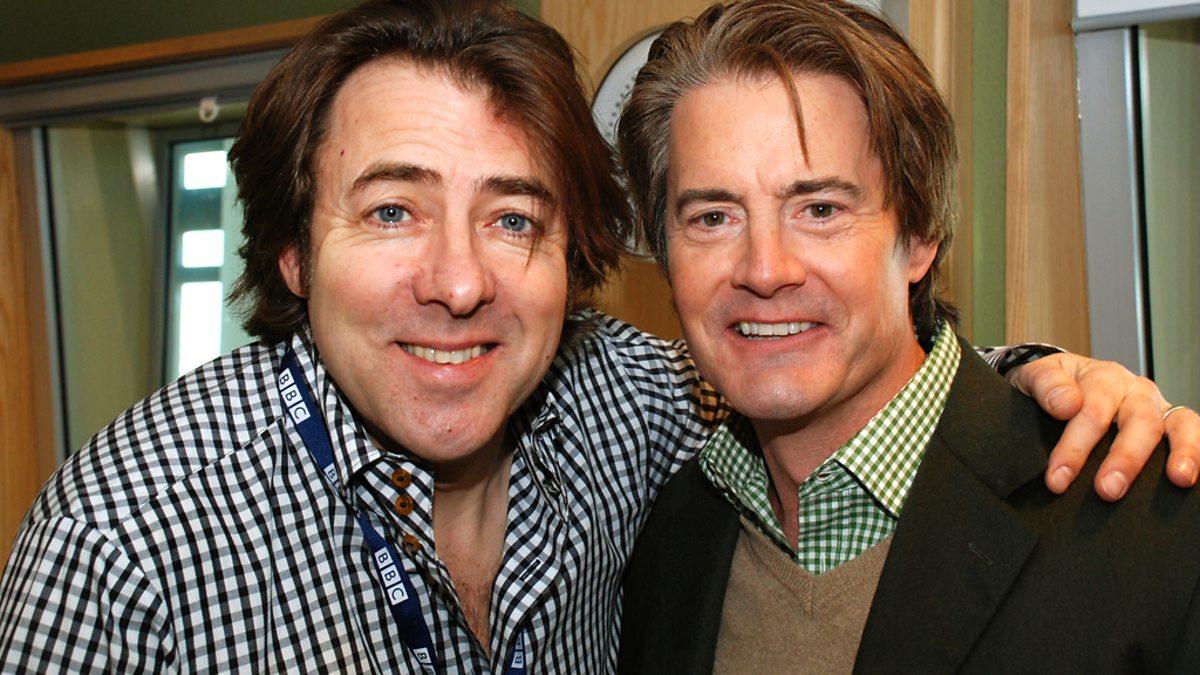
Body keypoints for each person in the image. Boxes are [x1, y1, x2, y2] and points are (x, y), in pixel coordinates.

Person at [0, 1, 1193, 673]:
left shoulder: (627, 410)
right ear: (292, 252)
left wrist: (1041, 379)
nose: (458, 283)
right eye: (393, 211)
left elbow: (836, 373)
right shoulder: (120, 548)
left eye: (513, 219)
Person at [615, 1, 1200, 672]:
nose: (765, 270)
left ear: (919, 237)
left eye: (820, 209)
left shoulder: (1156, 528)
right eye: (713, 217)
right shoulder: (668, 536)